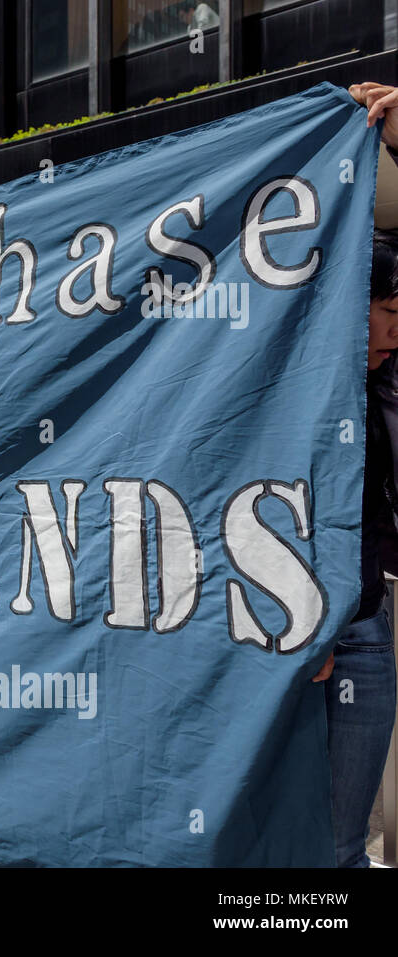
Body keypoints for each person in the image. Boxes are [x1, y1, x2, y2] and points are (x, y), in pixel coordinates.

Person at [312, 81, 398, 867]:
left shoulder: (385, 388)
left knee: (338, 850)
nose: (395, 331)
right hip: (296, 640)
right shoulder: (283, 397)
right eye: (387, 313)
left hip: (365, 632)